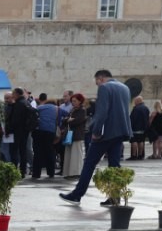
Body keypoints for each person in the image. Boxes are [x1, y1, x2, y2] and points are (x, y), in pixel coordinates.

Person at [59, 69, 132, 205]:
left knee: (89, 163)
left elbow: (102, 112)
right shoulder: (125, 88)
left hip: (106, 133)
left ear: (101, 78)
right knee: (114, 165)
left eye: (97, 82)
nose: (97, 85)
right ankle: (114, 197)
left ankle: (77, 194)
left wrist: (96, 131)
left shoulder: (104, 88)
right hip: (121, 132)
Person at [128, 95, 149, 161]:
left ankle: (134, 155)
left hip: (135, 128)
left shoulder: (136, 108)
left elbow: (132, 119)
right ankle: (140, 155)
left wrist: (130, 127)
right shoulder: (146, 108)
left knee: (134, 141)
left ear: (138, 101)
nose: (134, 102)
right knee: (141, 141)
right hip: (143, 128)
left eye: (135, 101)